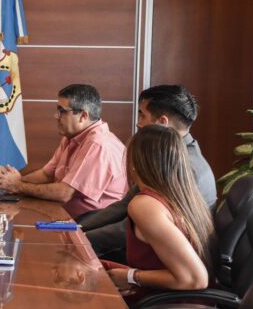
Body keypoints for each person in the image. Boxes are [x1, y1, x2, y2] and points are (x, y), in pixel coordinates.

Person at [80, 85, 216, 263]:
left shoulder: (183, 166)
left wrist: (82, 240)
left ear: (162, 122)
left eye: (142, 115)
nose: (138, 123)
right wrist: (76, 228)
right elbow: (124, 205)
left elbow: (142, 225)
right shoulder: (164, 153)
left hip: (170, 260)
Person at [104, 125, 214, 302]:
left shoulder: (145, 205)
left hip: (165, 302)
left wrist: (132, 276)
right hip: (172, 298)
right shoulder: (187, 197)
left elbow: (195, 278)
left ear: (135, 164)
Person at [0, 84, 127, 219]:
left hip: (93, 224)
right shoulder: (71, 137)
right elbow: (47, 174)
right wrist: (11, 181)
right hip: (66, 215)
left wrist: (18, 186)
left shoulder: (98, 145)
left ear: (83, 116)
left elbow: (64, 193)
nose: (56, 116)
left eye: (62, 111)